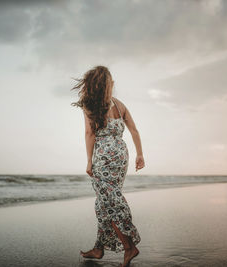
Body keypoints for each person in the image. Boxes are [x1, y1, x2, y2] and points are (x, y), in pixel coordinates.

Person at [71, 65, 145, 267]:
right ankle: (98, 248)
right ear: (108, 85)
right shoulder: (120, 105)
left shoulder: (90, 107)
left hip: (103, 157)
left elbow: (89, 134)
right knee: (105, 202)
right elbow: (134, 131)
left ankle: (129, 246)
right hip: (121, 155)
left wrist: (88, 160)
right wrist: (140, 154)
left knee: (109, 203)